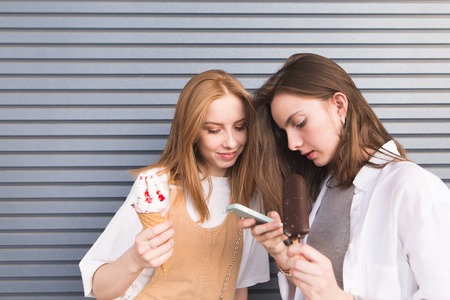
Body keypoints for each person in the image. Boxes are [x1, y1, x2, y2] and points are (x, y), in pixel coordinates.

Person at [240, 53, 450, 300]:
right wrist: (285, 258)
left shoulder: (413, 188)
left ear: (339, 105)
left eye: (299, 122)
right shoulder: (323, 190)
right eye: (284, 132)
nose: (292, 143)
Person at [79, 69, 272, 299]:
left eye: (240, 127)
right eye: (213, 130)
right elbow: (100, 289)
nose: (231, 142)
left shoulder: (250, 197)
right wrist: (134, 259)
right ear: (191, 130)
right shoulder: (157, 187)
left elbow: (238, 287)